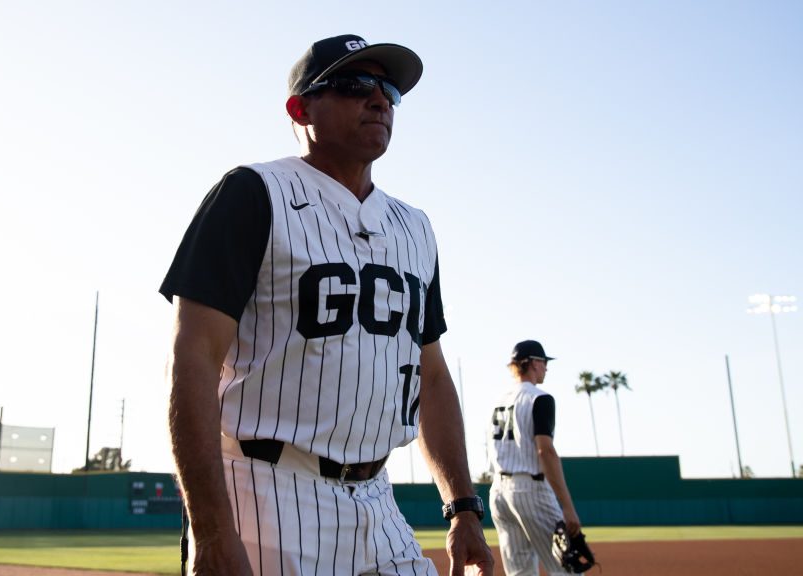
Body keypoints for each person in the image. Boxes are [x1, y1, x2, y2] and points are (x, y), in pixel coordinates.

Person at [160, 34, 494, 575]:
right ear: (300, 108)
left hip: (379, 500)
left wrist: (462, 507)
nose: (380, 99)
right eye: (355, 84)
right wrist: (212, 528)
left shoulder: (415, 228)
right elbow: (192, 359)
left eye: (388, 90)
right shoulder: (252, 193)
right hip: (267, 491)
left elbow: (430, 378)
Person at [485, 340, 582, 576]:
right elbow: (545, 451)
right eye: (544, 362)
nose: (546, 367)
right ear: (532, 364)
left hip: (498, 493)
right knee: (567, 570)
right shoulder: (539, 398)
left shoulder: (498, 401)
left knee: (520, 573)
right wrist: (568, 507)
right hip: (529, 489)